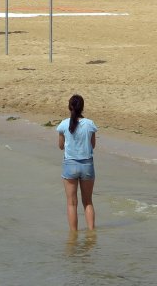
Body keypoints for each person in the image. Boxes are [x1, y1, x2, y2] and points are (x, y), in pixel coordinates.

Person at [57, 94, 97, 231]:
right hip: (87, 165)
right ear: (82, 107)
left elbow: (60, 146)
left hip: (70, 164)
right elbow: (93, 145)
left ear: (70, 107)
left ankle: (73, 235)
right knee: (88, 201)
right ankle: (91, 233)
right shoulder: (90, 124)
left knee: (72, 203)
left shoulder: (63, 124)